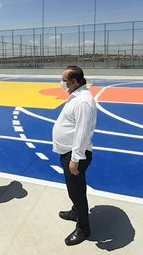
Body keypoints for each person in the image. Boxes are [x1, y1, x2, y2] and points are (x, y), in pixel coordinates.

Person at [52, 65, 97, 246]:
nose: (61, 83)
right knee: (76, 189)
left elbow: (82, 132)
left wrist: (75, 159)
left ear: (73, 81)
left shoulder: (83, 101)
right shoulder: (76, 96)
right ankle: (76, 211)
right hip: (69, 152)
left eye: (64, 80)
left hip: (75, 155)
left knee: (77, 192)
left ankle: (83, 229)